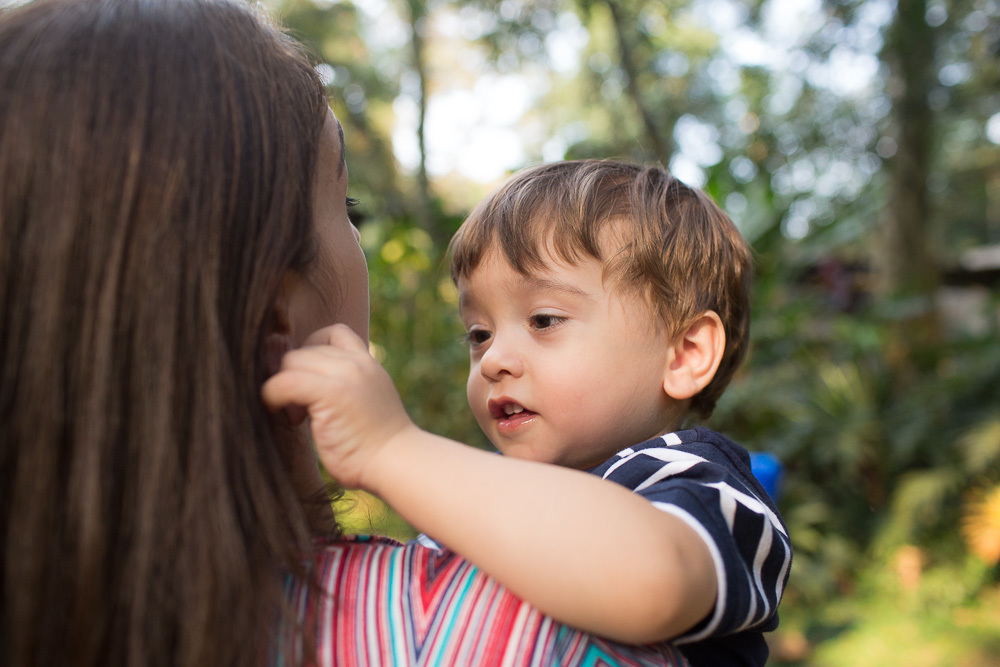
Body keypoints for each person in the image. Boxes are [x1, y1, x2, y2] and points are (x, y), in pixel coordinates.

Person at [1, 0, 696, 665]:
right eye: (348, 207)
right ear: (278, 306)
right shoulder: (514, 631)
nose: (495, 360)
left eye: (544, 320)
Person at [264, 161, 792, 665]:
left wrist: (391, 449)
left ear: (685, 354)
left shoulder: (704, 485)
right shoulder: (493, 492)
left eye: (543, 320)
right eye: (479, 333)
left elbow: (655, 580)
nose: (493, 359)